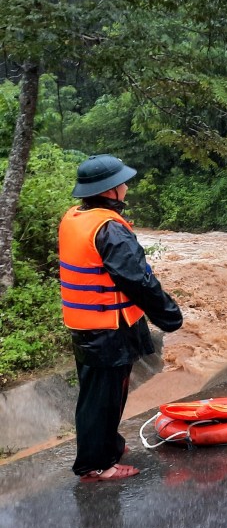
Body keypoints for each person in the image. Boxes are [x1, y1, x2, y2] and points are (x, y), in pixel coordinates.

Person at [59, 155, 183, 482]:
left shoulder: (76, 216)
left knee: (98, 394)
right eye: (123, 182)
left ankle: (107, 445)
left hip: (87, 324)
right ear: (111, 190)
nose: (127, 186)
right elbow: (137, 279)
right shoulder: (110, 229)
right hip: (107, 329)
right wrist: (168, 314)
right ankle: (97, 465)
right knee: (104, 399)